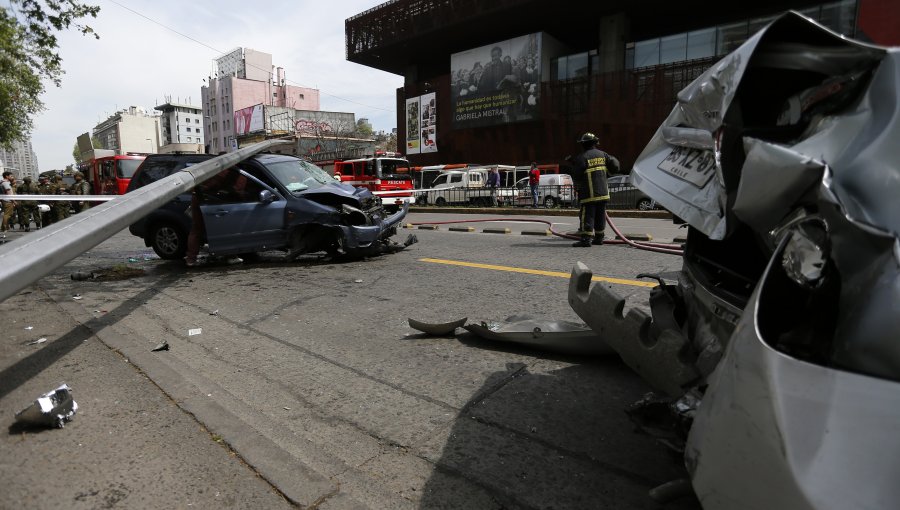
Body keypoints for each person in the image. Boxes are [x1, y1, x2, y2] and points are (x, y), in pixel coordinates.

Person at [569, 132, 619, 247]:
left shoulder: (582, 157)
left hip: (589, 195)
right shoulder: (603, 155)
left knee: (587, 216)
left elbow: (577, 174)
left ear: (583, 144)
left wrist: (573, 163)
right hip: (603, 193)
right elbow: (615, 166)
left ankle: (586, 240)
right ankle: (599, 238)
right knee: (600, 216)